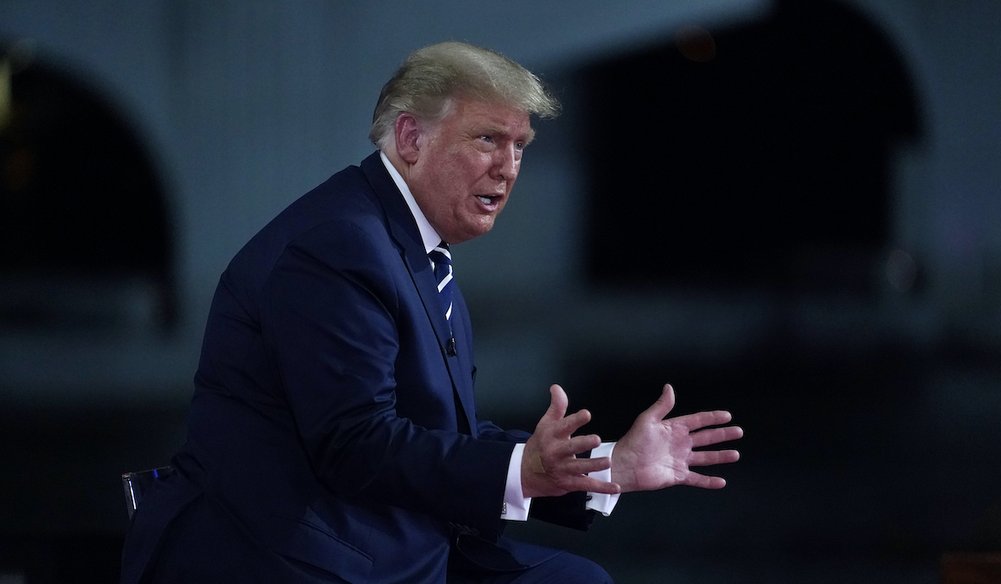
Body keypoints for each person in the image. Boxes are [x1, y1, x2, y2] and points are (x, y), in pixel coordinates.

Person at [119, 41, 743, 584]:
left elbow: (441, 432)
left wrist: (610, 466)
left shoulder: (407, 245)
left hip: (375, 539)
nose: (508, 167)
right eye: (486, 139)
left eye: (520, 146)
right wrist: (523, 468)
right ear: (412, 138)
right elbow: (355, 443)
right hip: (292, 555)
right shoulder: (340, 246)